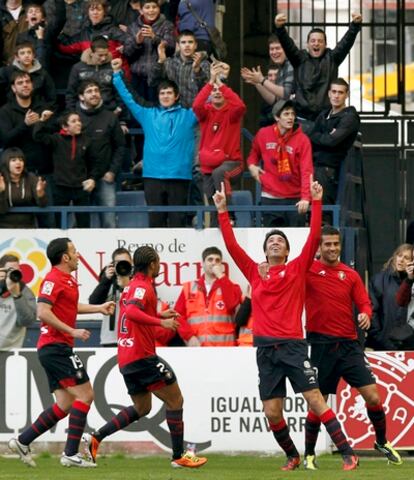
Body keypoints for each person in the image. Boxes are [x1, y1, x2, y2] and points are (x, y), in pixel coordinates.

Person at [212, 179, 359, 471]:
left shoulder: (296, 268)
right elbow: (231, 245)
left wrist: (316, 202)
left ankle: (347, 453)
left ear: (288, 251)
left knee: (315, 399)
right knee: (272, 411)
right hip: (265, 350)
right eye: (270, 241)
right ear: (265, 251)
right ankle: (292, 456)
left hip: (292, 346)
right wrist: (221, 210)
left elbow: (315, 235)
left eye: (280, 241)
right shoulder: (255, 271)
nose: (275, 242)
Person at [83, 246, 208, 469]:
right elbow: (131, 313)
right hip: (142, 357)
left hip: (127, 358)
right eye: (158, 262)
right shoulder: (142, 286)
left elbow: (132, 312)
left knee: (142, 408)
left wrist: (158, 314)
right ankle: (179, 456)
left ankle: (96, 438)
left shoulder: (131, 287)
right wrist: (162, 322)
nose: (160, 266)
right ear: (152, 264)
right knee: (175, 400)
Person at [8, 237, 115, 468]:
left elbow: (70, 307)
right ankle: (70, 453)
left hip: (55, 347)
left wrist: (99, 308)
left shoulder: (66, 281)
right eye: (75, 252)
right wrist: (72, 331)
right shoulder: (53, 279)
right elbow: (42, 311)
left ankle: (23, 441)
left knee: (65, 403)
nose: (78, 256)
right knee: (86, 395)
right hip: (55, 347)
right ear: (65, 257)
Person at [303, 225, 402, 470]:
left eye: (336, 244)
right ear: (319, 247)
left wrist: (366, 315)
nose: (333, 248)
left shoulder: (351, 275)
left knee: (373, 396)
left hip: (349, 346)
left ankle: (381, 442)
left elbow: (364, 303)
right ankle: (309, 454)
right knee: (318, 402)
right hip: (320, 346)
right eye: (328, 244)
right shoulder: (308, 271)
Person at [111, 57, 198, 227]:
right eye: (162, 93)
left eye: (169, 93)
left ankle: (178, 255)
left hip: (179, 175)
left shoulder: (189, 115)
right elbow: (130, 98)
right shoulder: (147, 114)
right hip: (152, 175)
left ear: (176, 96)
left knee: (177, 222)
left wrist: (217, 80)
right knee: (155, 221)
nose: (165, 96)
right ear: (158, 97)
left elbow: (205, 100)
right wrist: (116, 74)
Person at [274, 12, 362, 121]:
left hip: (325, 118)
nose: (316, 44)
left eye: (320, 41)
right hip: (302, 118)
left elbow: (345, 43)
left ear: (325, 44)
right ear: (307, 44)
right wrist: (280, 28)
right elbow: (288, 45)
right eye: (313, 41)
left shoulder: (332, 58)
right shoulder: (299, 58)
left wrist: (355, 25)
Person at [247, 99, 313, 227]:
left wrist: (305, 197)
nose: (290, 118)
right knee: (272, 241)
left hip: (295, 198)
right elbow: (253, 154)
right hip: (270, 197)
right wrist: (252, 165)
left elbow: (307, 171)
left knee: (295, 242)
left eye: (292, 114)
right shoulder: (263, 134)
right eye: (286, 114)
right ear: (277, 117)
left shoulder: (303, 140)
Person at [193, 62, 246, 217]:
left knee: (219, 173)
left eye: (220, 90)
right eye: (214, 90)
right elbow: (196, 105)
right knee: (212, 202)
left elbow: (241, 106)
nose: (217, 92)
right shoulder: (206, 112)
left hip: (232, 163)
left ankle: (230, 217)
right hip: (208, 165)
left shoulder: (232, 112)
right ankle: (220, 223)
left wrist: (220, 84)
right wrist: (211, 82)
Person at [33, 110, 101, 228]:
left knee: (84, 223)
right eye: (73, 121)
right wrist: (42, 121)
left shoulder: (87, 140)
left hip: (81, 187)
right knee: (59, 223)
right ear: (65, 126)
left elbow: (95, 162)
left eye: (79, 120)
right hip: (60, 186)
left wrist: (92, 179)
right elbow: (37, 136)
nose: (78, 123)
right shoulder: (56, 139)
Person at [76, 80, 126, 228]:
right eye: (89, 91)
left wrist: (112, 171)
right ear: (81, 97)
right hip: (79, 178)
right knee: (76, 224)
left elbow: (120, 147)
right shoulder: (74, 117)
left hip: (105, 177)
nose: (94, 94)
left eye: (96, 90)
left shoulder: (110, 117)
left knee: (109, 222)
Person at [309, 78, 360, 221]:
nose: (336, 96)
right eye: (334, 92)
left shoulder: (350, 117)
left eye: (340, 92)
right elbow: (311, 136)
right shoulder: (324, 114)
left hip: (327, 170)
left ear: (347, 95)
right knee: (309, 211)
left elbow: (332, 141)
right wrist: (324, 137)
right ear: (329, 93)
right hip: (312, 167)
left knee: (323, 214)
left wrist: (319, 137)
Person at [174, 246, 242, 346]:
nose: (214, 262)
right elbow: (176, 316)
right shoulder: (188, 288)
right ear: (203, 263)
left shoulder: (232, 287)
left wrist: (221, 276)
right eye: (210, 259)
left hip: (225, 349)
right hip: (198, 348)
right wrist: (189, 336)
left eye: (217, 260)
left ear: (221, 265)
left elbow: (232, 304)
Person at [124, 0, 175, 101]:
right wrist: (137, 42)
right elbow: (127, 52)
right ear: (141, 10)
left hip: (159, 77)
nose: (151, 10)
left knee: (157, 110)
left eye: (154, 7)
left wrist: (154, 37)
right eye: (147, 7)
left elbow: (171, 48)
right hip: (137, 78)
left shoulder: (167, 25)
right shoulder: (133, 27)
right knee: (139, 111)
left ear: (159, 9)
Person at [367, 243, 414, 350]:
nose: (401, 260)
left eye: (406, 258)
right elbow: (373, 311)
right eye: (399, 255)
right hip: (384, 343)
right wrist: (379, 338)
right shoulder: (379, 280)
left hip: (409, 343)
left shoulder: (411, 283)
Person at [148, 30, 210, 109]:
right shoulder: (169, 63)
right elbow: (152, 82)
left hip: (195, 112)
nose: (187, 45)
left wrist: (197, 70)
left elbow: (207, 91)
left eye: (190, 42)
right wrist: (160, 61)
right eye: (183, 42)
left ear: (195, 45)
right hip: (173, 112)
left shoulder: (204, 64)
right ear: (178, 45)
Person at [241, 34, 294, 126]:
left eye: (278, 48)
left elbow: (285, 93)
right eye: (271, 49)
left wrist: (262, 80)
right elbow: (274, 100)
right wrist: (257, 82)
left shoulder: (291, 64)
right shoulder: (282, 67)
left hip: (298, 119)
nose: (274, 52)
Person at [89, 247, 133, 346]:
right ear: (113, 264)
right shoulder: (108, 280)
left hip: (132, 337)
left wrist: (127, 283)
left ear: (132, 263)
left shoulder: (137, 278)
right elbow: (93, 302)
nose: (122, 266)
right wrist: (105, 280)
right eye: (118, 263)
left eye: (125, 262)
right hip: (110, 339)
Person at [0, 41, 56, 109]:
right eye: (22, 53)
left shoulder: (43, 73)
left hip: (37, 111)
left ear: (33, 56)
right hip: (12, 111)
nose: (26, 55)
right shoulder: (6, 72)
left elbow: (51, 96)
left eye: (29, 52)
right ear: (17, 57)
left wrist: (45, 111)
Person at [0, 147, 47, 228]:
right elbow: (2, 210)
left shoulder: (31, 178)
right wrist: (1, 192)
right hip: (4, 227)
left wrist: (40, 194)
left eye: (21, 160)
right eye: (13, 160)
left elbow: (42, 205)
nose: (18, 162)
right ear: (6, 163)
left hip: (28, 226)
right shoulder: (1, 179)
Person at [0, 253, 36, 349]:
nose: (13, 274)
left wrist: (17, 296)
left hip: (11, 351)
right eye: (10, 270)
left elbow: (27, 321)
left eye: (17, 270)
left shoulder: (25, 291)